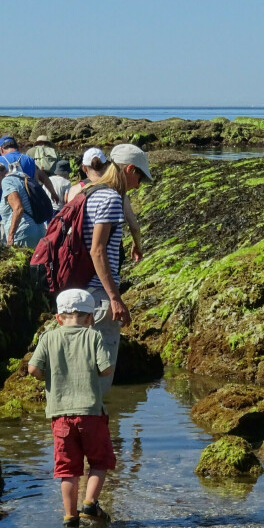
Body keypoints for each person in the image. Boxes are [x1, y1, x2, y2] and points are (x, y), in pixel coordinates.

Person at [28, 288, 116, 527]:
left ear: (58, 318)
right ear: (90, 318)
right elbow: (106, 369)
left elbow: (33, 369)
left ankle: (70, 517)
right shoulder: (93, 336)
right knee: (100, 461)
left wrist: (49, 377)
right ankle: (89, 503)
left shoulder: (48, 337)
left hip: (60, 416)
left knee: (67, 469)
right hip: (91, 413)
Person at [82, 144, 153, 394]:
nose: (139, 185)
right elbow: (97, 251)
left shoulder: (89, 192)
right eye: (140, 177)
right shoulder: (111, 198)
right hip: (99, 297)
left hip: (81, 292)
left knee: (82, 375)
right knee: (98, 382)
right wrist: (115, 298)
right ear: (130, 169)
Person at [67, 147, 145, 263]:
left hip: (78, 256)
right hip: (106, 256)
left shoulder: (76, 190)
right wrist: (137, 245)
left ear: (84, 168)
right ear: (106, 165)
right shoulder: (114, 193)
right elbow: (134, 226)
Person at [0, 155, 48, 248]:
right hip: (39, 230)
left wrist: (10, 236)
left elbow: (18, 209)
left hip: (22, 234)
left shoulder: (7, 181)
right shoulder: (25, 177)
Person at [0, 136, 59, 204]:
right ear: (17, 147)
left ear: (1, 149)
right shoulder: (29, 160)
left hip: (7, 203)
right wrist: (53, 193)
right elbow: (43, 176)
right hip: (29, 203)